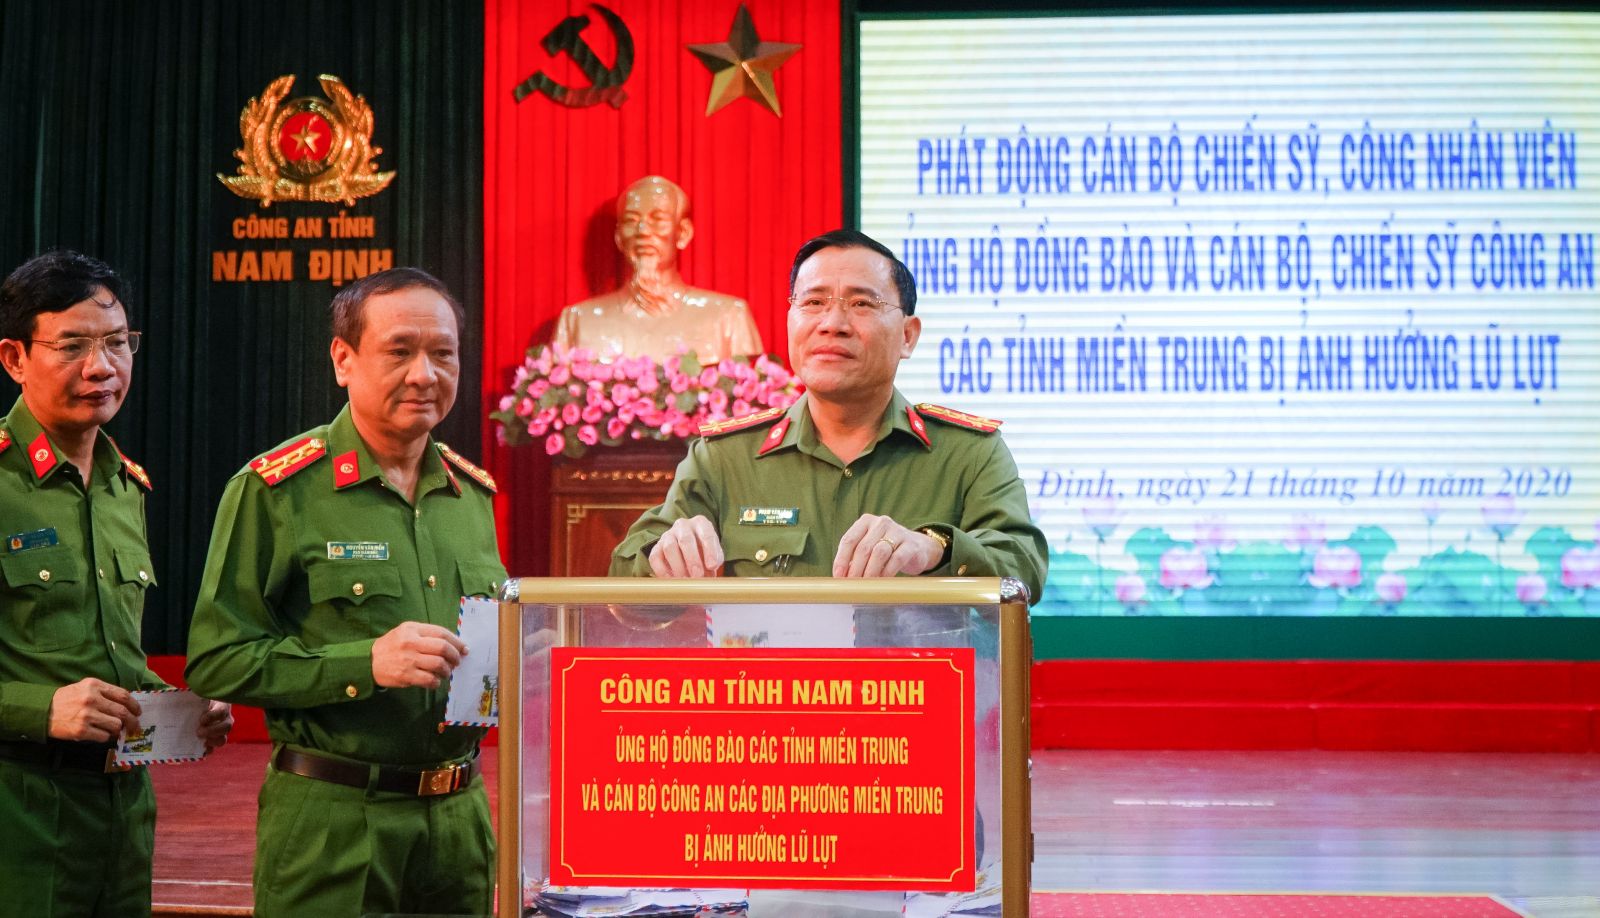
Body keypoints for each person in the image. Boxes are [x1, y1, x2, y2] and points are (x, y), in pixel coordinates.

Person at [185, 267, 507, 917]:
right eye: (399, 351)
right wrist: (365, 664)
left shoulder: (471, 495)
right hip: (334, 823)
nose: (424, 374)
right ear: (343, 359)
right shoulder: (277, 489)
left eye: (443, 354)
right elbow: (217, 660)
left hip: (459, 826)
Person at [609, 229, 1047, 602]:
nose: (832, 323)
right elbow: (624, 579)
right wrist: (662, 559)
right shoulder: (724, 458)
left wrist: (935, 548)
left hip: (914, 678)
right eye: (814, 302)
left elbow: (1022, 568)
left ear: (908, 336)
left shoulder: (969, 453)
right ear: (790, 320)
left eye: (862, 304)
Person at [0, 250, 232, 918]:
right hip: (19, 816)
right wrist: (40, 708)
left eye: (117, 343)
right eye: (72, 345)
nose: (101, 367)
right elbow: (53, 692)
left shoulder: (125, 488)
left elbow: (107, 655)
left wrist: (182, 710)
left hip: (125, 815)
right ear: (15, 358)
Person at [552, 175, 764, 362]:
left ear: (683, 233)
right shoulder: (577, 320)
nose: (643, 231)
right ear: (619, 238)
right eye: (631, 221)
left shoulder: (728, 317)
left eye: (658, 220)